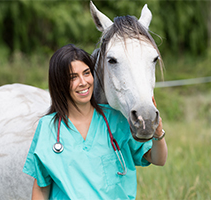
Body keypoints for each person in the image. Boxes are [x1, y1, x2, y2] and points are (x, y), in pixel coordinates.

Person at [22, 44, 167, 199]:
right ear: (60, 83)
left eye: (86, 73)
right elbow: (41, 188)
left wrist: (158, 134)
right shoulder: (48, 128)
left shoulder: (116, 120)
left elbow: (158, 159)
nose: (83, 82)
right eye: (73, 77)